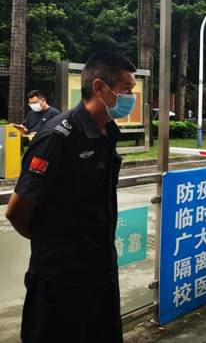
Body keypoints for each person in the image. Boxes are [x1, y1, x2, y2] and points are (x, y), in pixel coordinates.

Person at [5, 51, 137, 343]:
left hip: (102, 274)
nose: (131, 97)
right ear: (100, 87)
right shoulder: (57, 137)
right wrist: (57, 243)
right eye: (126, 89)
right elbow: (16, 211)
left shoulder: (108, 132)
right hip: (59, 283)